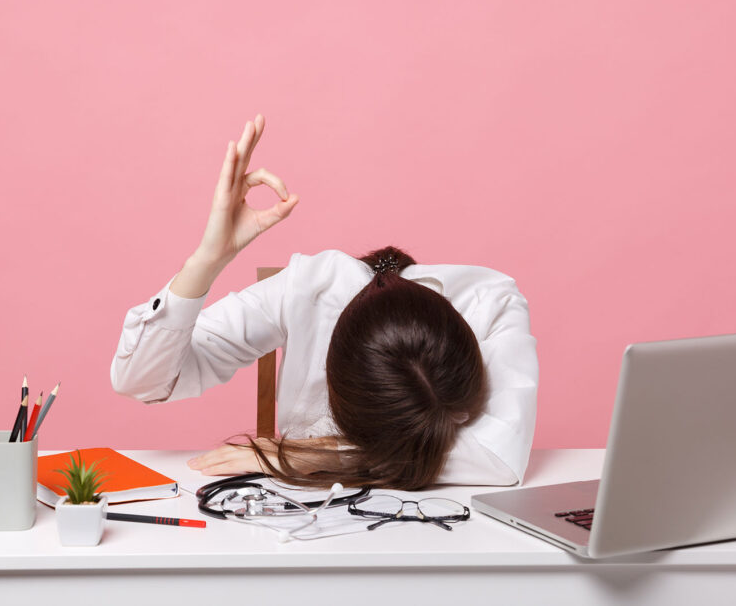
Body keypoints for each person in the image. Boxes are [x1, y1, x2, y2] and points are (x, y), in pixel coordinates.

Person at [110, 115, 538, 489]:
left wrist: (305, 457)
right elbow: (142, 382)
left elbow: (500, 458)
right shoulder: (310, 290)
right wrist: (206, 260)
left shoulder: (491, 302)